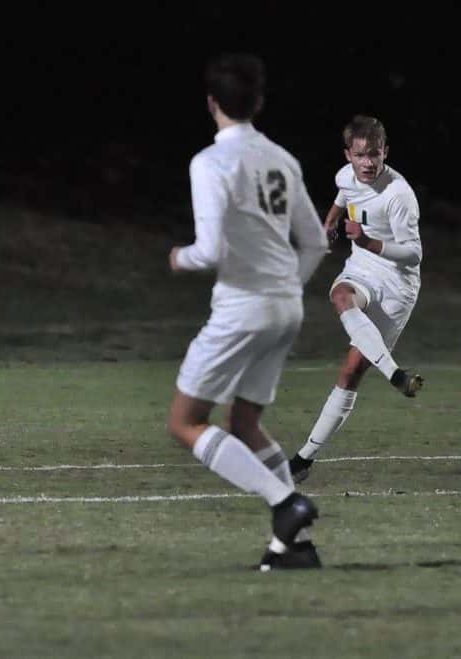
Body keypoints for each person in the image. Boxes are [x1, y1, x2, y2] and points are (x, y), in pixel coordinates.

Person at [166, 53, 329, 570]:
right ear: (258, 102)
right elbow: (316, 243)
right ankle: (295, 546)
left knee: (185, 421)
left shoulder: (210, 162)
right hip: (286, 308)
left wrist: (179, 257)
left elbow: (209, 249)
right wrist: (286, 287)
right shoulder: (282, 159)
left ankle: (285, 503)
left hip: (243, 308)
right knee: (245, 422)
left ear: (211, 103)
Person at [287, 115, 424, 483]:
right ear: (348, 155)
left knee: (350, 373)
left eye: (374, 154)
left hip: (397, 286)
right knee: (340, 295)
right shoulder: (345, 176)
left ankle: (304, 458)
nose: (368, 163)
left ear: (385, 152)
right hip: (362, 270)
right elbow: (343, 194)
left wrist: (366, 241)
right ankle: (395, 374)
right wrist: (330, 221)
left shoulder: (398, 194)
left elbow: (414, 254)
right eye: (360, 155)